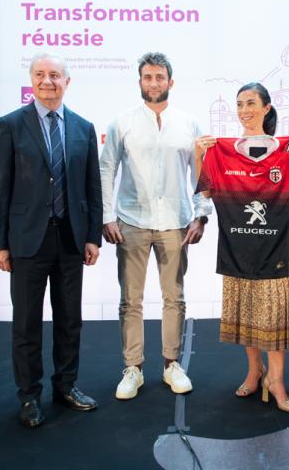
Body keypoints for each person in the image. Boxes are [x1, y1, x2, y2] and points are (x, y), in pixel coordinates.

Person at [0, 52, 102, 428]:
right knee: (26, 324)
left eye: (55, 75)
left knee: (70, 320)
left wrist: (92, 236)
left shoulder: (84, 128)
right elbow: (0, 189)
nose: (47, 81)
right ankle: (29, 396)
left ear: (67, 82)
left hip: (70, 239)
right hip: (26, 240)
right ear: (32, 81)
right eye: (40, 74)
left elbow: (91, 188)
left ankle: (66, 387)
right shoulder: (10, 125)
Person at [195, 82, 289, 412]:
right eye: (240, 104)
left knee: (273, 322)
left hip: (275, 253)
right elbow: (204, 190)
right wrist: (198, 153)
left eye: (251, 103)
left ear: (266, 107)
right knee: (246, 320)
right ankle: (253, 372)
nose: (245, 110)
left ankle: (276, 381)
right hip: (238, 251)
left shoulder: (288, 152)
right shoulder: (222, 152)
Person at [99, 52, 211, 400]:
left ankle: (171, 365)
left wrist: (201, 213)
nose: (154, 83)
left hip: (176, 222)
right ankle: (132, 368)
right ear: (140, 82)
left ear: (170, 82)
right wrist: (106, 215)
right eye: (148, 77)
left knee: (174, 297)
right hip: (131, 220)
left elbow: (201, 172)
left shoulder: (189, 124)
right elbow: (106, 168)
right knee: (130, 299)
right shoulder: (123, 123)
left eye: (159, 77)